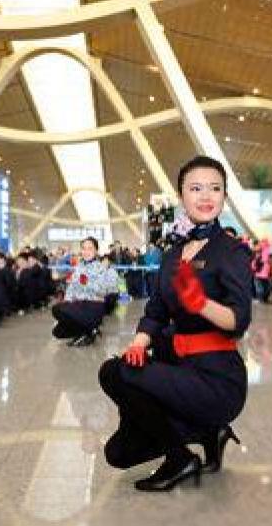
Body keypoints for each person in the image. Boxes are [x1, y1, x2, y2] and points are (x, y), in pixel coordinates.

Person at [99, 155, 251, 492]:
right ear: (181, 196)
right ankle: (208, 433)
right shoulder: (172, 254)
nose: (206, 195)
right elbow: (155, 310)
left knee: (112, 372)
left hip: (217, 378)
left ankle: (181, 456)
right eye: (196, 188)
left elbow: (239, 320)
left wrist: (202, 304)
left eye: (215, 188)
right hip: (178, 365)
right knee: (119, 453)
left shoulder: (232, 251)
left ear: (224, 196)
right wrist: (140, 342)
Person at [51, 237, 114, 347]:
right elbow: (72, 287)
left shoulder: (101, 267)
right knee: (57, 331)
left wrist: (85, 284)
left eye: (90, 248)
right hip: (79, 304)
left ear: (96, 251)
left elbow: (105, 290)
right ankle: (85, 331)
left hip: (93, 306)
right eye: (84, 248)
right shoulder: (79, 267)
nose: (86, 251)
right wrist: (68, 300)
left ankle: (89, 331)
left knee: (57, 309)